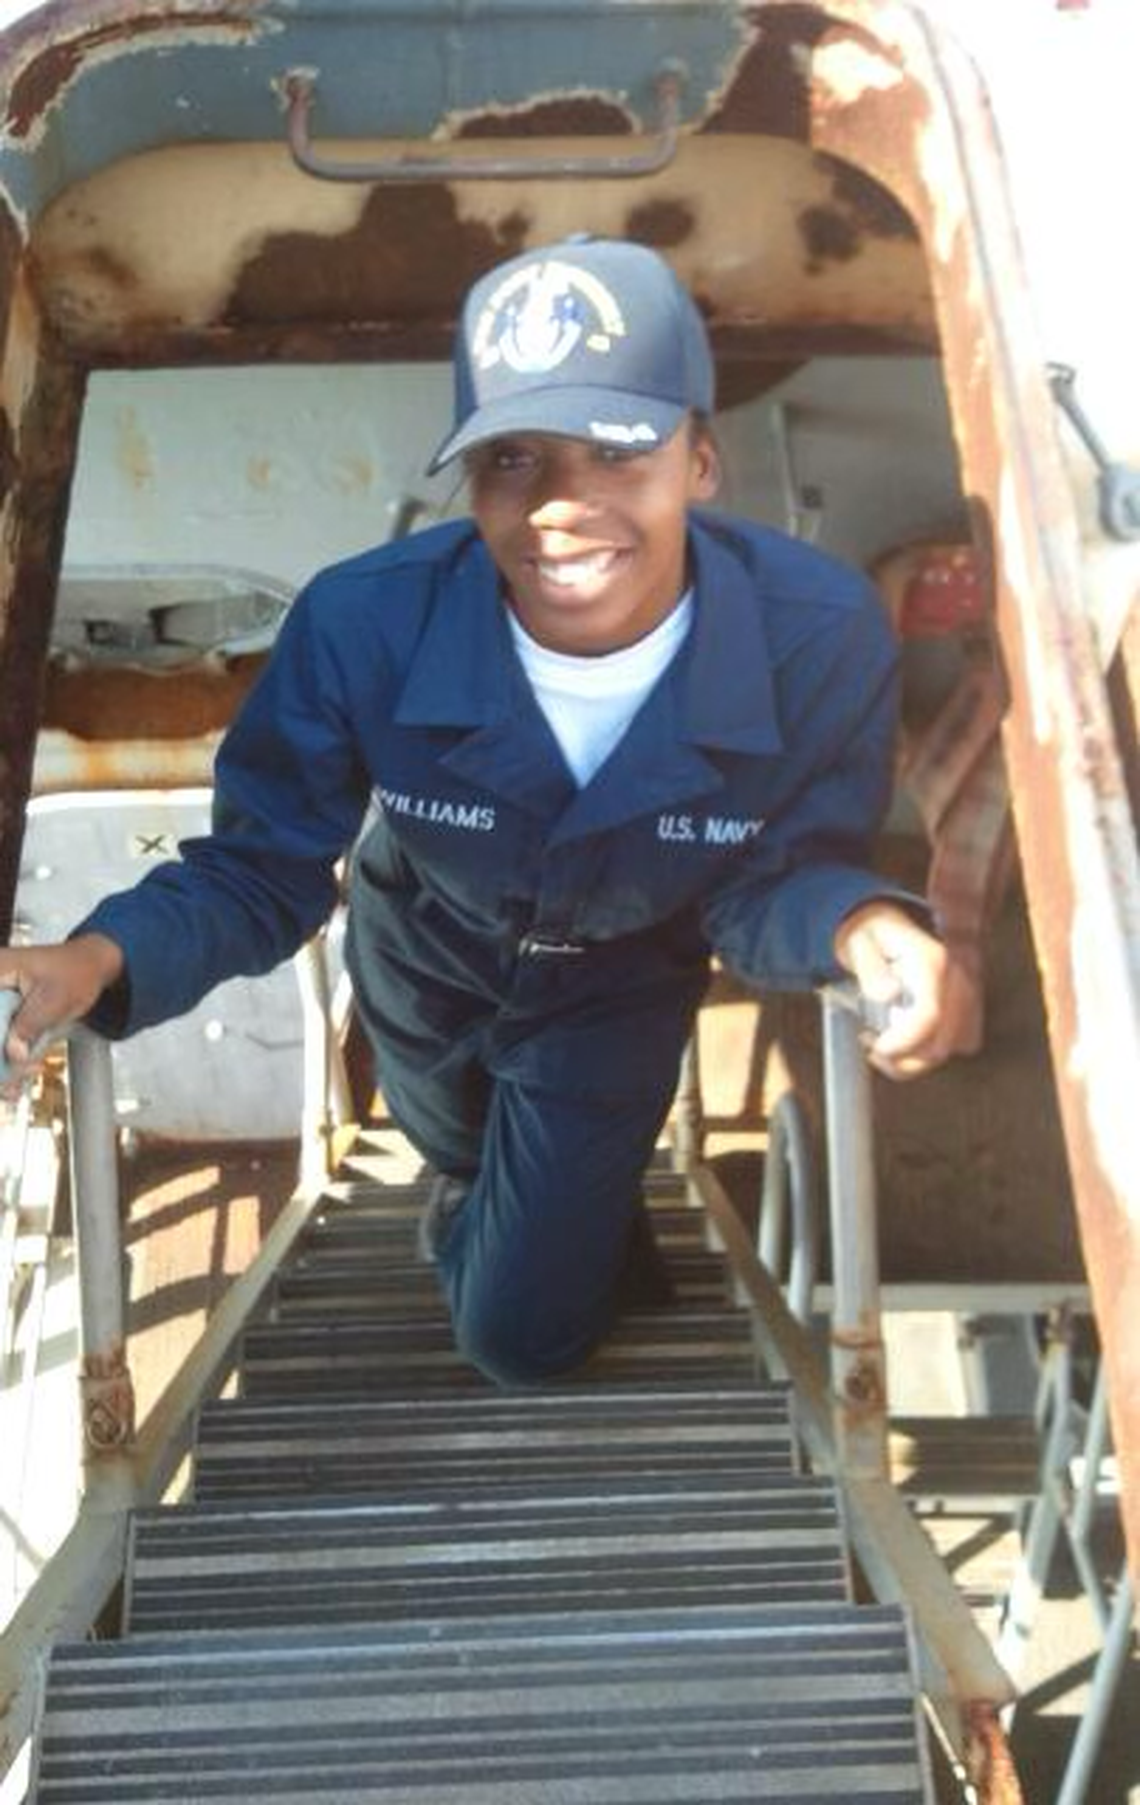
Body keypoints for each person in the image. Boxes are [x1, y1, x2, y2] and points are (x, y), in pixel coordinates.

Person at [0, 236, 975, 1385]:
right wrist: (96, 959)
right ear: (470, 477)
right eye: (515, 457)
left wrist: (862, 925)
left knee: (519, 1339)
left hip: (618, 990)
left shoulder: (817, 634)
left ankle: (558, 1228)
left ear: (702, 459)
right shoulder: (363, 624)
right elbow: (262, 869)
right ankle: (531, 1205)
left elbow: (778, 877)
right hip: (423, 969)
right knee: (460, 1155)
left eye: (619, 450)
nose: (563, 506)